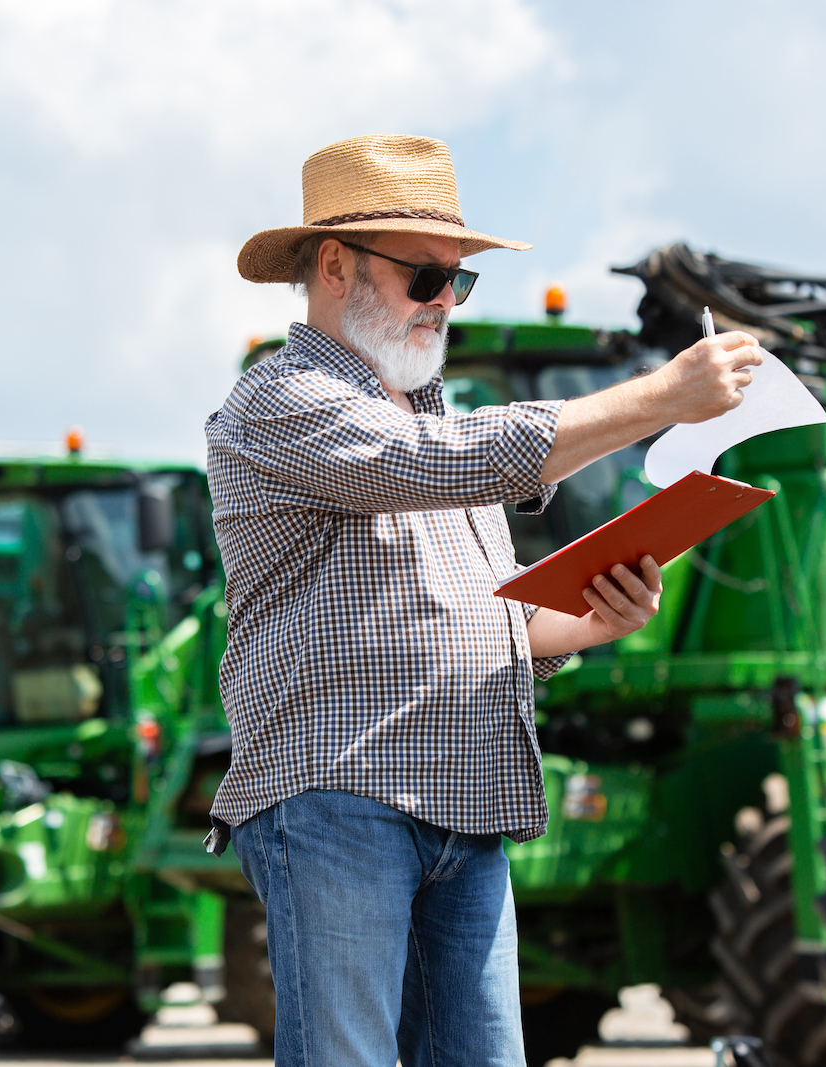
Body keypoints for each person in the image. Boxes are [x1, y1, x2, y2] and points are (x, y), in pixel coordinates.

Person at [204, 134, 763, 1067]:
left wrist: (593, 620)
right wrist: (663, 395)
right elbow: (447, 465)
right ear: (336, 267)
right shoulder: (281, 398)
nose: (443, 306)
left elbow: (482, 620)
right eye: (427, 280)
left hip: (465, 802)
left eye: (457, 286)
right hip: (342, 798)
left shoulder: (432, 420)